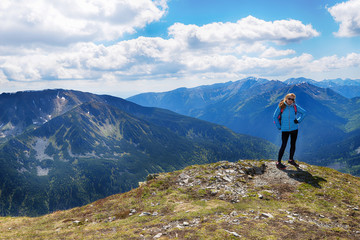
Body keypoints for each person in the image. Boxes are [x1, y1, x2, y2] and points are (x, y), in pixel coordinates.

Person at [273, 93, 306, 169]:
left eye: (292, 99)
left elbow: (304, 112)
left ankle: (291, 159)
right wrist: (279, 126)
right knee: (283, 145)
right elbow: (274, 117)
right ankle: (278, 162)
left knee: (293, 144)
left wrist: (298, 120)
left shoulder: (294, 107)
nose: (291, 100)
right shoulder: (281, 106)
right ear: (286, 98)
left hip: (294, 129)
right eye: (289, 98)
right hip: (285, 129)